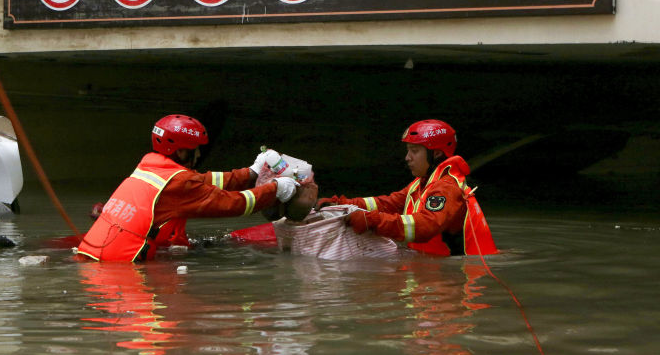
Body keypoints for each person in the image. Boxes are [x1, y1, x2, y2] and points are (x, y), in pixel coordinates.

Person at [76, 114, 299, 262]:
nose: (199, 154)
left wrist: (251, 172)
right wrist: (275, 189)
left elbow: (206, 181)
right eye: (196, 149)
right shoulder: (179, 183)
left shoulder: (150, 165)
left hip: (94, 254)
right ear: (182, 152)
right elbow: (234, 204)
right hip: (120, 267)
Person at [316, 119, 497, 256]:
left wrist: (372, 221)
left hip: (459, 275)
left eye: (415, 151)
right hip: (435, 267)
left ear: (436, 153)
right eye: (408, 150)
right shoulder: (424, 183)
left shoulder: (446, 187)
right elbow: (389, 203)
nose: (407, 158)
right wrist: (343, 203)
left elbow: (424, 226)